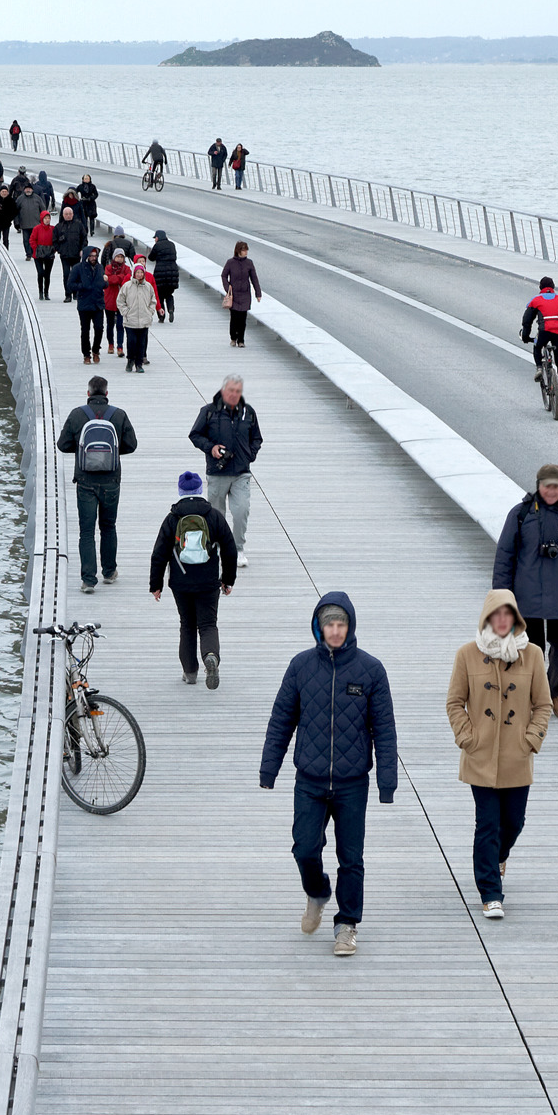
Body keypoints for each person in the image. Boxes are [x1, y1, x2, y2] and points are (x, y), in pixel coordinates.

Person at [260, 592, 397, 958]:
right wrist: (268, 768)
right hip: (310, 780)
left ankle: (347, 925)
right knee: (305, 848)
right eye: (329, 625)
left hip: (353, 783)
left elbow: (384, 730)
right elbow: (281, 720)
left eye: (341, 624)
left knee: (351, 858)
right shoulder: (301, 666)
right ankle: (318, 892)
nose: (335, 631)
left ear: (350, 627)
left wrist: (387, 780)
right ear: (319, 629)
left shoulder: (371, 670)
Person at [447, 590, 552, 920]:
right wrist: (468, 737)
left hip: (517, 758)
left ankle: (500, 855)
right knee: (487, 824)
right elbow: (454, 703)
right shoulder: (467, 654)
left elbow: (543, 705)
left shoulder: (532, 655)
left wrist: (530, 740)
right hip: (480, 757)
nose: (502, 620)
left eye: (508, 614)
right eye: (497, 614)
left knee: (514, 822)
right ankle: (491, 892)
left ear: (516, 618)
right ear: (488, 618)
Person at [491, 463, 558, 716]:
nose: (552, 491)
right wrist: (501, 595)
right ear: (538, 485)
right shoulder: (520, 515)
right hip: (527, 596)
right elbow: (505, 556)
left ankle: (556, 691)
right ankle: (533, 694)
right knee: (531, 646)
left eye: (556, 486)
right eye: (547, 485)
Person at [151, 468, 239, 687]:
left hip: (180, 583)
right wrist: (228, 580)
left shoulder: (172, 518)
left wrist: (156, 584)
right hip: (208, 580)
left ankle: (190, 672)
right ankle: (210, 655)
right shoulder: (213, 516)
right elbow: (230, 549)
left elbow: (159, 553)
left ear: (179, 490)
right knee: (208, 624)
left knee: (187, 625)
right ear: (201, 489)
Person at [55, 373, 136, 592]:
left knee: (87, 531)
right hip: (111, 479)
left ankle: (88, 580)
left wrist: (84, 452)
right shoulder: (118, 415)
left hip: (85, 480)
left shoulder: (77, 414)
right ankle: (109, 572)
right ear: (107, 394)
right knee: (108, 526)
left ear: (88, 393)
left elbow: (62, 445)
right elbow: (132, 445)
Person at [190, 373, 263, 567]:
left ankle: (238, 548)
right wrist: (210, 447)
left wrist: (250, 455)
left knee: (241, 511)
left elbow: (257, 438)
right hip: (217, 472)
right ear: (223, 391)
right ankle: (216, 546)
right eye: (231, 390)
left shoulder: (249, 412)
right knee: (216, 514)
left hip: (241, 473)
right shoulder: (209, 411)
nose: (234, 394)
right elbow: (195, 434)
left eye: (238, 391)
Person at [521, 277, 558, 387]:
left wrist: (525, 336)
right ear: (553, 287)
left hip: (544, 332)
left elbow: (527, 320)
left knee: (537, 346)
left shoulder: (536, 300)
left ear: (540, 287)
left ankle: (539, 367)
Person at [67, 245, 109, 363]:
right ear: (86, 256)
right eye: (91, 256)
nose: (93, 258)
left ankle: (96, 350)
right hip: (84, 303)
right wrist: (82, 286)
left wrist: (105, 283)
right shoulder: (78, 268)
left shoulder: (100, 267)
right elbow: (70, 284)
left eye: (95, 256)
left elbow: (104, 284)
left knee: (99, 328)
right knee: (85, 330)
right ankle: (86, 354)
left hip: (98, 303)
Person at [118, 262, 158, 371]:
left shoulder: (148, 286)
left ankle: (139, 364)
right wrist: (126, 312)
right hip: (131, 320)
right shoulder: (127, 286)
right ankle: (130, 360)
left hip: (144, 320)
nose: (140, 275)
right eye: (137, 272)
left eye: (141, 272)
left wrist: (150, 312)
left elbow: (153, 301)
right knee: (131, 341)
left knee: (141, 343)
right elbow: (120, 301)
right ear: (134, 274)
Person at [223, 240, 262, 346]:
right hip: (234, 295)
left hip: (245, 294)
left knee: (243, 318)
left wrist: (258, 293)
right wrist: (227, 288)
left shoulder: (249, 263)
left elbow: (254, 278)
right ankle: (233, 338)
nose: (246, 252)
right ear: (238, 251)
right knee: (234, 318)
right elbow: (224, 275)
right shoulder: (230, 262)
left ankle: (241, 340)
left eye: (246, 250)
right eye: (244, 250)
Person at [102, 246, 135, 359]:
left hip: (122, 301)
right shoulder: (108, 267)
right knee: (110, 324)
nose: (119, 259)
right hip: (110, 299)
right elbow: (109, 280)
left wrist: (113, 278)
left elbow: (126, 278)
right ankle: (110, 344)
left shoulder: (127, 268)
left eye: (121, 257)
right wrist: (118, 278)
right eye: (117, 256)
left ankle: (120, 346)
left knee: (121, 325)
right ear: (113, 257)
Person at [148, 230, 181, 321]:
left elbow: (151, 258)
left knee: (160, 295)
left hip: (160, 273)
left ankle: (161, 317)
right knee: (169, 294)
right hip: (172, 272)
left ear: (157, 238)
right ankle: (171, 309)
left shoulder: (157, 245)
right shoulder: (172, 245)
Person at [28, 210, 58, 299]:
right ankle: (40, 291)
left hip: (49, 253)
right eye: (46, 218)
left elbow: (56, 240)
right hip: (38, 254)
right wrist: (36, 248)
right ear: (42, 219)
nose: (47, 220)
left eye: (49, 218)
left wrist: (54, 249)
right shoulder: (37, 228)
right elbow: (32, 239)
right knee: (40, 273)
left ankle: (46, 292)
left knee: (47, 274)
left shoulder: (53, 229)